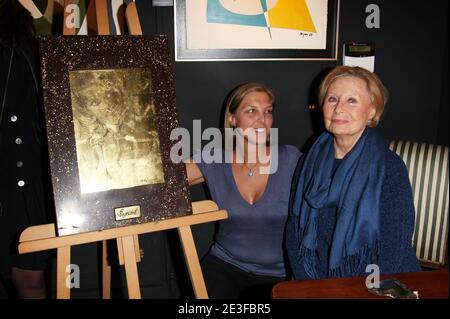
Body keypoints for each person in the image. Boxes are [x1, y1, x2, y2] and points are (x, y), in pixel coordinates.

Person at [286, 66, 421, 280]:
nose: (338, 108)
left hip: (377, 279)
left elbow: (394, 248)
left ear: (372, 111)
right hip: (315, 277)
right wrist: (308, 284)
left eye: (352, 100)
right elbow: (294, 229)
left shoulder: (390, 167)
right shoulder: (307, 163)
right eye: (332, 99)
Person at [185, 83, 301, 298]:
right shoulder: (214, 159)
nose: (262, 119)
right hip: (225, 265)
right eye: (251, 110)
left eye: (267, 112)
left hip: (279, 275)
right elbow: (162, 183)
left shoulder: (290, 160)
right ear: (232, 119)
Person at [0, 0, 51, 298]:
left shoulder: (33, 55)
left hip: (24, 185)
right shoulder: (35, 53)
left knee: (30, 281)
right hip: (25, 185)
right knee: (31, 282)